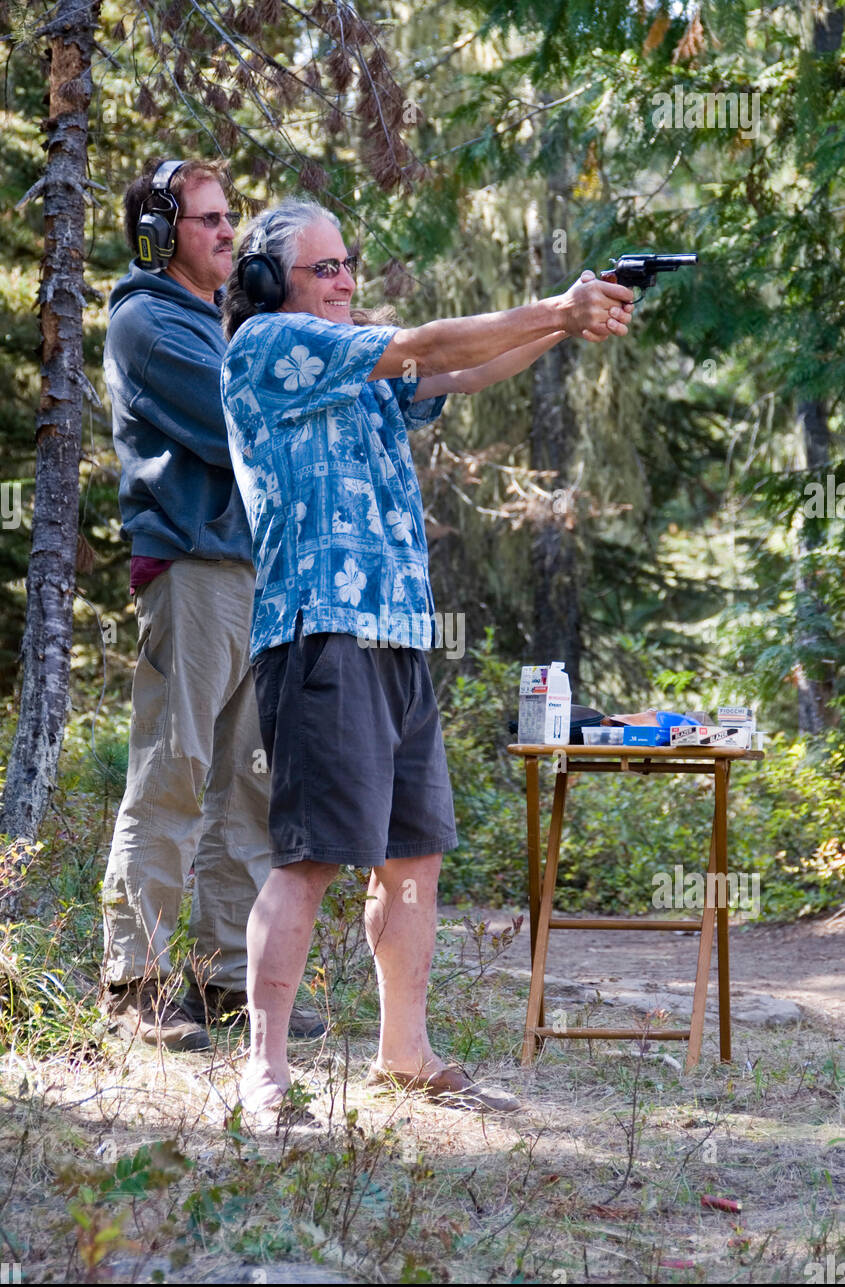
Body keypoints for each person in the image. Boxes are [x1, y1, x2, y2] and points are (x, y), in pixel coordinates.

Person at [220, 199, 633, 1119]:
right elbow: (428, 343)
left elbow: (469, 364)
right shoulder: (270, 348)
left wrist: (565, 325)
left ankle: (403, 1053)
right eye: (323, 268)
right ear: (266, 282)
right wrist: (560, 307)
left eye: (346, 264)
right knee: (309, 860)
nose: (344, 280)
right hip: (321, 632)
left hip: (397, 633)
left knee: (412, 860)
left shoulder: (358, 361)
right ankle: (266, 1073)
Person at [101, 161, 323, 1050]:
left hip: (254, 572)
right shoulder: (148, 320)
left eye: (231, 218)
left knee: (248, 788)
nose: (229, 233)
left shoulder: (224, 319)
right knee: (174, 771)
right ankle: (138, 982)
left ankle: (226, 979)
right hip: (194, 570)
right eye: (207, 220)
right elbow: (245, 417)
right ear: (160, 236)